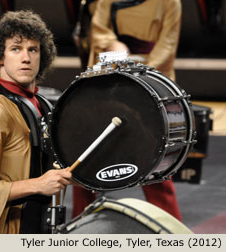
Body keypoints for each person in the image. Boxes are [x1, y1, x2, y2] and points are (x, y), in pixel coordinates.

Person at [0, 10, 73, 234]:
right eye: (16, 49)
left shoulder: (43, 105)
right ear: (0, 56)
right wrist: (38, 185)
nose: (26, 58)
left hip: (42, 225)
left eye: (33, 49)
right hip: (12, 230)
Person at [72, 0, 183, 220]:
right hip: (111, 80)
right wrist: (114, 46)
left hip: (150, 84)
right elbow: (99, 31)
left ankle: (173, 231)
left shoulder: (171, 2)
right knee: (86, 158)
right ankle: (79, 222)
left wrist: (141, 73)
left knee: (155, 163)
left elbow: (167, 46)